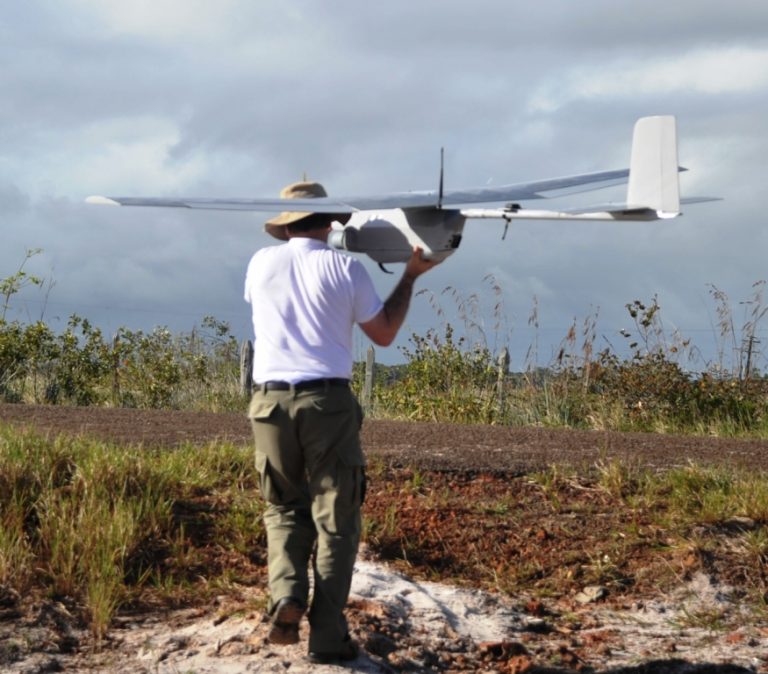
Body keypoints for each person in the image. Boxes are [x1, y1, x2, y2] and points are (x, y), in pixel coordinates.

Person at [244, 181, 440, 664]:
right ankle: (327, 636)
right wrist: (411, 275)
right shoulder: (344, 267)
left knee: (284, 508)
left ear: (285, 225)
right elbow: (386, 333)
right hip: (327, 402)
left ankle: (286, 595)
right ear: (332, 221)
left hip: (268, 402)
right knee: (337, 522)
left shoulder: (259, 264)